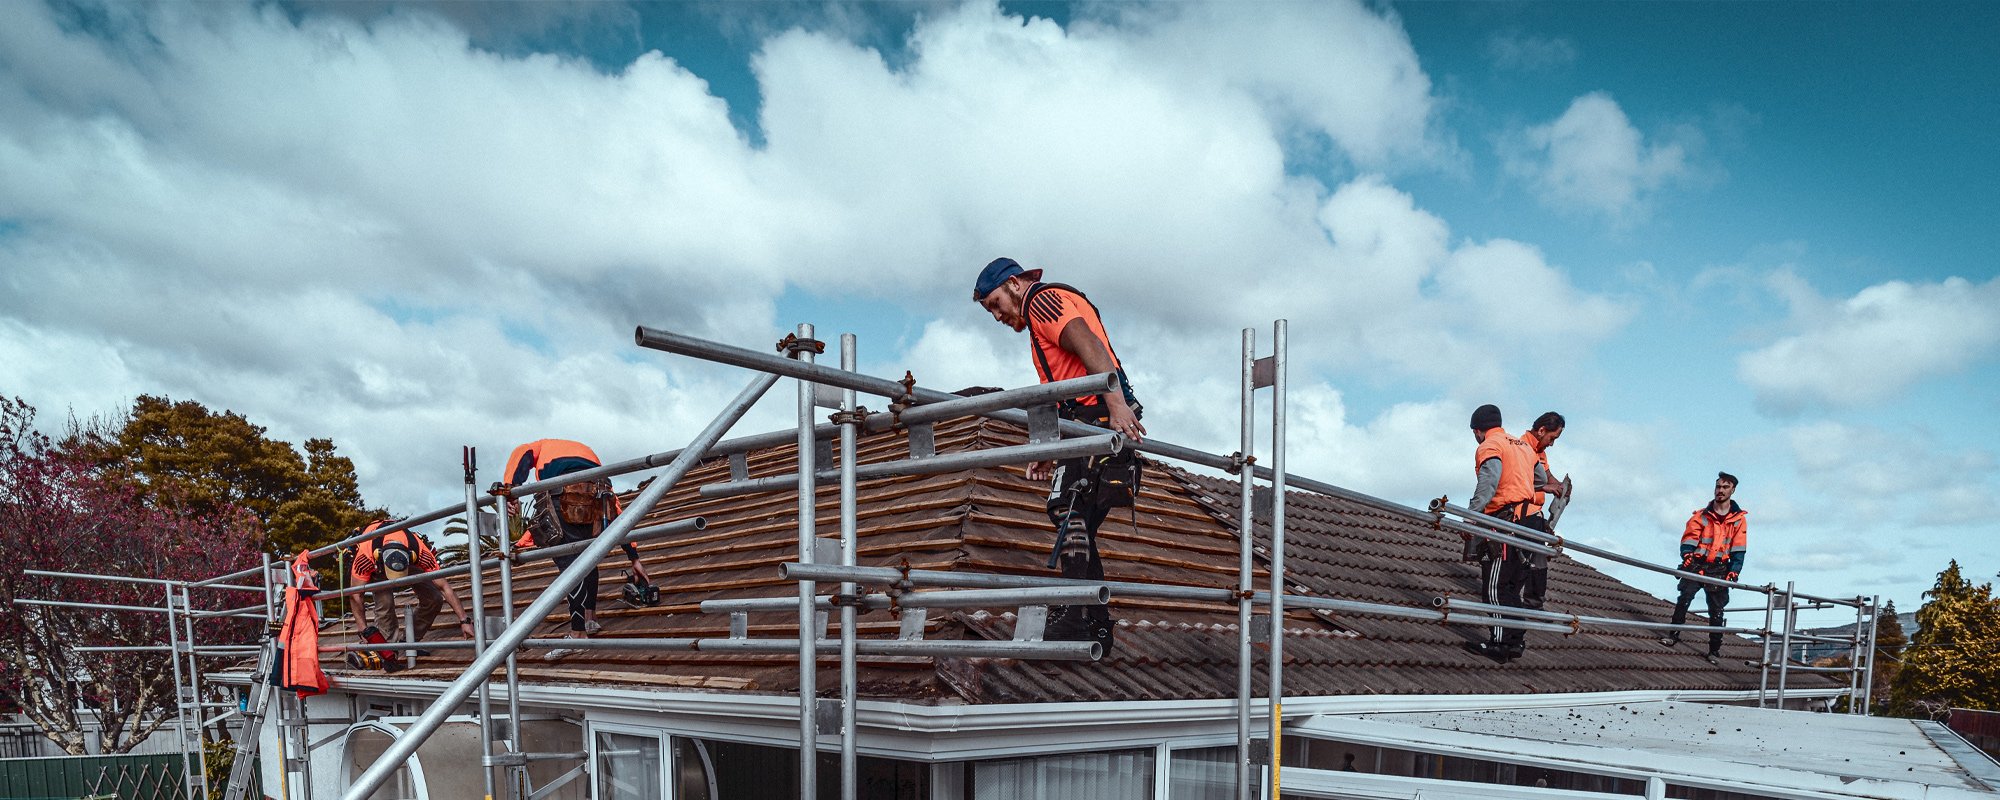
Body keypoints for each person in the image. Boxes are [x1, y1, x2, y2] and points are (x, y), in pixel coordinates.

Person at [974, 257, 1143, 651]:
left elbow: (1090, 346)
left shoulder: (1041, 302)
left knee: (1064, 507)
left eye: (996, 303)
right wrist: (1050, 446)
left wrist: (1116, 405)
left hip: (1097, 414)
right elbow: (1059, 390)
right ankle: (1095, 622)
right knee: (1077, 520)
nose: (997, 315)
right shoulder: (1037, 319)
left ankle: (1075, 613)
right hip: (1086, 415)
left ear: (1014, 284)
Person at [496, 438, 656, 661]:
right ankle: (590, 619)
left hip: (563, 496)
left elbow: (521, 455)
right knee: (588, 558)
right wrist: (633, 557)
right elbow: (616, 510)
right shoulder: (588, 454)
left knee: (570, 566)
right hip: (598, 497)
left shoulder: (541, 446)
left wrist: (510, 492)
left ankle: (578, 634)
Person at [1463, 404, 1546, 662]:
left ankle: (1499, 644)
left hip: (1505, 523)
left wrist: (1472, 518)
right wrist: (1521, 485)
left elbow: (1488, 482)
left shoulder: (1490, 445)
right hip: (1529, 523)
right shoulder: (1522, 446)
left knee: (1495, 587)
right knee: (1511, 587)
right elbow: (1540, 480)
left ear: (1478, 430)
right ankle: (1515, 642)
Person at [348, 520, 475, 652]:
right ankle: (388, 651)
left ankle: (410, 642)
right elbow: (355, 595)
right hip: (378, 568)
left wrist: (464, 620)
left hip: (410, 563)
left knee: (434, 598)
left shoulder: (421, 553)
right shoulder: (365, 557)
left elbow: (444, 587)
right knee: (385, 603)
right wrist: (363, 630)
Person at [1662, 472, 1747, 665]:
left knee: (1716, 610)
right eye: (1718, 487)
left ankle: (1714, 651)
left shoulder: (1738, 520)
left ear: (1733, 490)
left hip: (1719, 568)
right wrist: (1687, 555)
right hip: (1697, 564)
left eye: (1725, 487)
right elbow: (1689, 538)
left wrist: (1734, 570)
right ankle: (1673, 635)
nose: (1720, 490)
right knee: (1684, 598)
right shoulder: (1701, 515)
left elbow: (1739, 548)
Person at [1518, 412, 1569, 615]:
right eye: (1552, 438)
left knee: (1539, 562)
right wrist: (1544, 489)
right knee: (1522, 562)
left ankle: (1533, 606)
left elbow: (1548, 477)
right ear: (1541, 431)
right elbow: (1516, 485)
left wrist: (1562, 488)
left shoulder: (1540, 450)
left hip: (1535, 514)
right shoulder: (1521, 448)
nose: (1552, 444)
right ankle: (1514, 605)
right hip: (1521, 514)